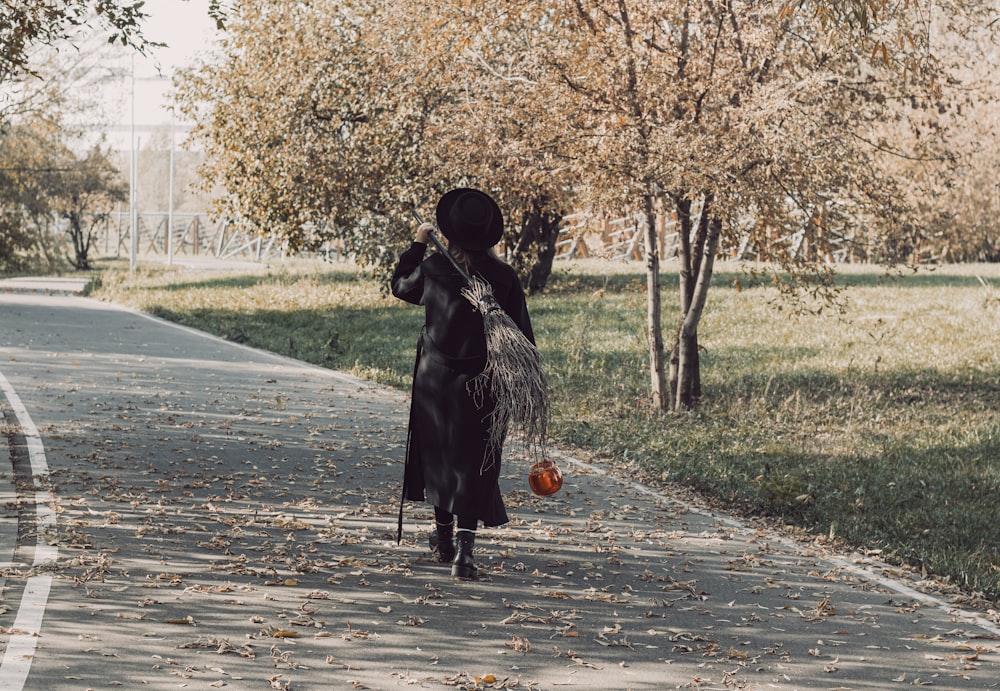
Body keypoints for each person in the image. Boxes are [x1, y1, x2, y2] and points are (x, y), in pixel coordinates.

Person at [391, 188, 534, 580]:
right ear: (489, 235)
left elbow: (401, 285)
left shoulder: (435, 268)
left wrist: (417, 246)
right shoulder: (504, 278)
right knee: (476, 462)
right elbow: (522, 338)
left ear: (449, 231)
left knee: (440, 456)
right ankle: (465, 554)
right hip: (486, 385)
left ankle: (444, 538)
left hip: (435, 382)